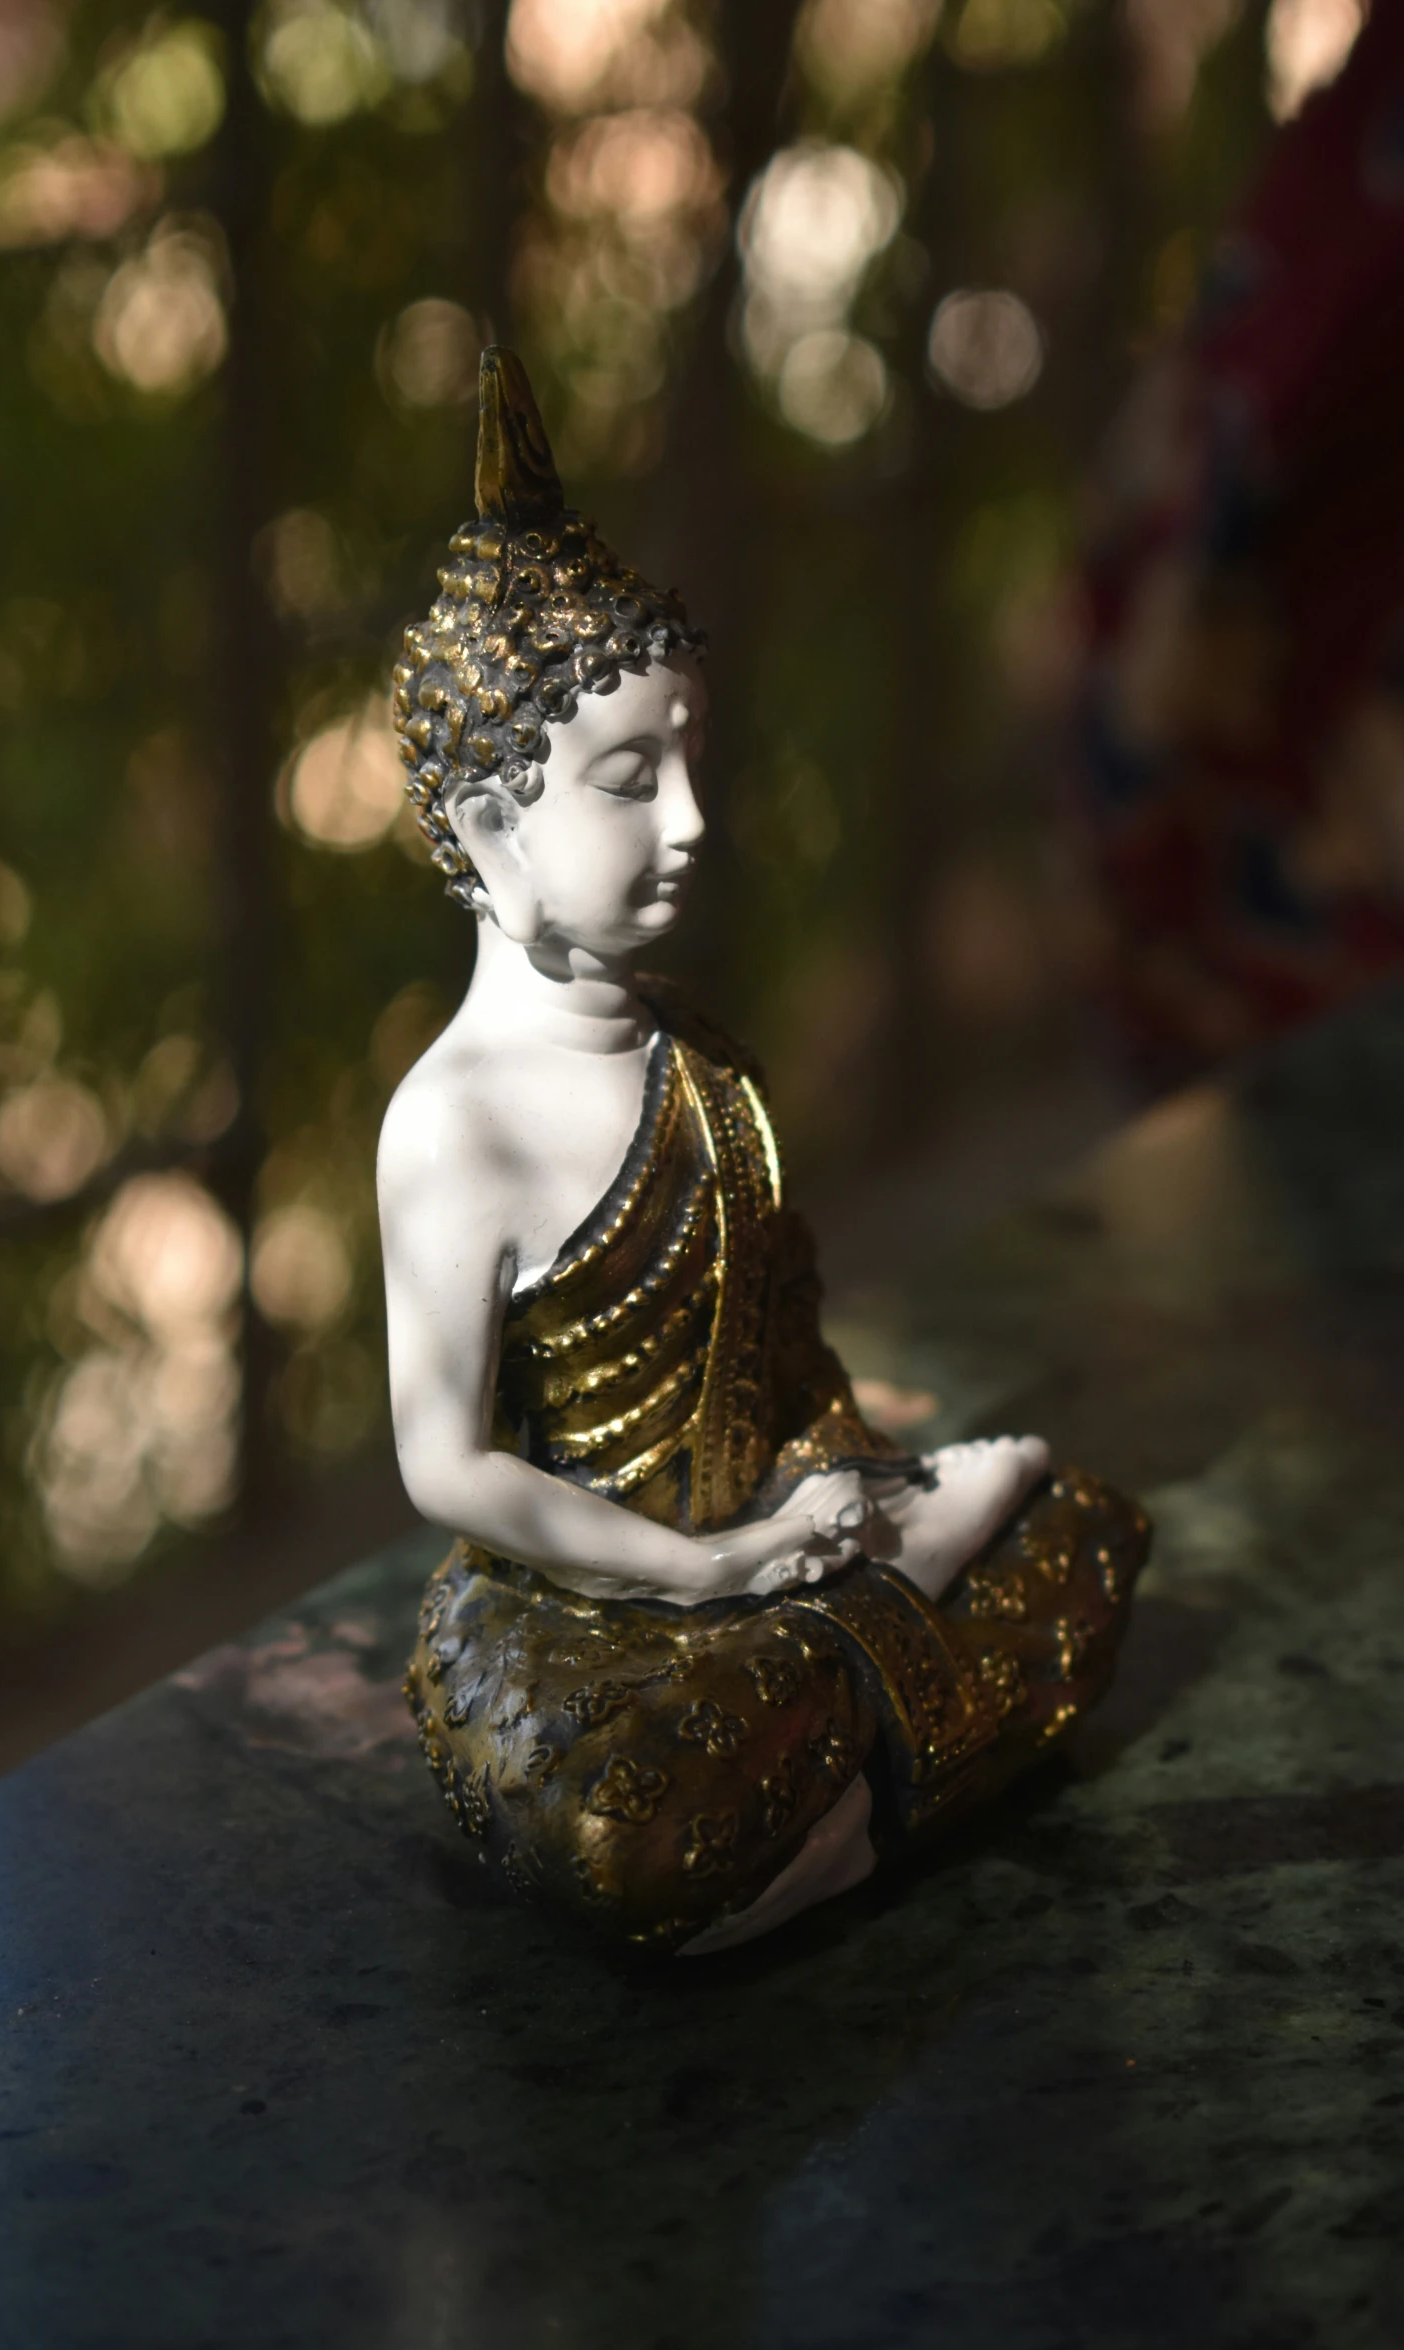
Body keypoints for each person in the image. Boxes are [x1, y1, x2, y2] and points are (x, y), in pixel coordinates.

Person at [379, 350, 1147, 1955]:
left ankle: (848, 1754)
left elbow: (790, 1355)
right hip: (585, 1608)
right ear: (486, 828)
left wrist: (836, 1494)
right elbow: (448, 1464)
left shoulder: (701, 1064)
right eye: (626, 779)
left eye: (690, 761)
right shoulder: (455, 1125)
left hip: (785, 1537)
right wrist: (698, 1569)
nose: (691, 823)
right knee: (625, 1819)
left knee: (1077, 1532)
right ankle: (865, 1764)